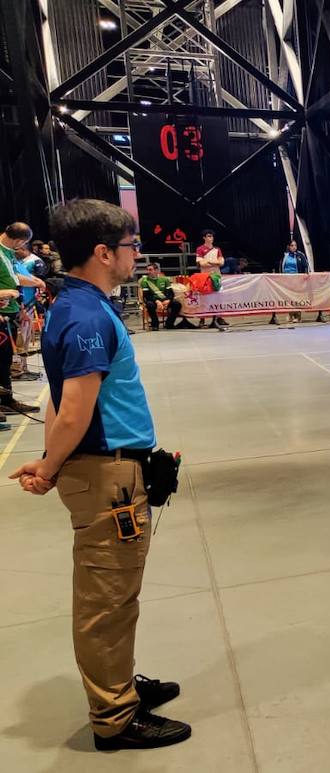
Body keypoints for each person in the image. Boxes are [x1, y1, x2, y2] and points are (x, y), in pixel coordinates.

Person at [7, 199, 192, 751]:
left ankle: (119, 683)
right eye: (132, 245)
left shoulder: (85, 306)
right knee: (106, 598)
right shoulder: (87, 315)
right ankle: (114, 716)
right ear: (103, 252)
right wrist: (48, 467)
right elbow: (73, 411)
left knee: (117, 593)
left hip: (112, 469)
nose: (138, 254)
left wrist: (52, 464)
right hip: (106, 474)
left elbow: (64, 402)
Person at [1, 222, 44, 417]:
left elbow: (13, 277)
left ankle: (6, 400)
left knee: (6, 356)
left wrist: (35, 282)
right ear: (20, 241)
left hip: (10, 309)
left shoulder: (7, 252)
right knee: (2, 358)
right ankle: (5, 401)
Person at [270, 239, 316, 325]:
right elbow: (281, 266)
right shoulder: (285, 255)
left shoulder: (300, 255)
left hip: (297, 280)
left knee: (297, 298)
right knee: (289, 298)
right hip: (287, 280)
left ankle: (298, 316)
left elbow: (306, 265)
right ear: (288, 247)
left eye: (295, 245)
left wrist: (306, 273)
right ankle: (290, 315)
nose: (294, 247)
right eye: (292, 245)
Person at [138, 263, 186, 331]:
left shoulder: (164, 279)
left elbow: (170, 292)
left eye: (150, 270)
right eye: (148, 270)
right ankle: (155, 324)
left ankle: (169, 323)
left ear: (157, 270)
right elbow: (147, 295)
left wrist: (168, 300)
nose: (148, 271)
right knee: (149, 305)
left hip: (164, 300)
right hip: (153, 300)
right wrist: (157, 301)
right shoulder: (145, 281)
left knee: (177, 304)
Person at [194, 230, 227, 328]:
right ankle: (202, 319)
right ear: (204, 238)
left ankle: (218, 318)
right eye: (208, 236)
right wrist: (215, 262)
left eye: (212, 236)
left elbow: (221, 263)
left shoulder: (217, 249)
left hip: (216, 276)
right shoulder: (200, 249)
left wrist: (209, 261)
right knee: (204, 298)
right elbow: (201, 263)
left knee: (218, 297)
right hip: (204, 277)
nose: (211, 238)